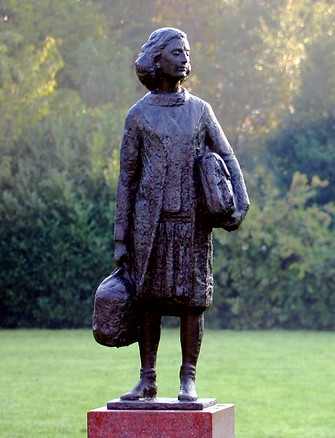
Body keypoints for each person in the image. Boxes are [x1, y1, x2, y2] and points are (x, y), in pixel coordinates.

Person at [114, 27, 249, 401]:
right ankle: (147, 378)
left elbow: (228, 156)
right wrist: (121, 238)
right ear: (157, 60)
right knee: (148, 302)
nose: (185, 59)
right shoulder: (138, 115)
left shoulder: (200, 111)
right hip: (149, 225)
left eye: (187, 53)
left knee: (192, 303)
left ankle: (188, 378)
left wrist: (240, 202)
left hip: (193, 225)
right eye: (177, 52)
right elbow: (127, 179)